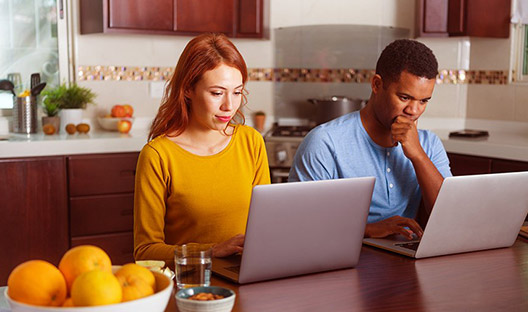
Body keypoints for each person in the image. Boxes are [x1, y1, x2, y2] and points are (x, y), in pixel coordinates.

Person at [289, 39, 452, 240]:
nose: (414, 111)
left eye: (423, 101)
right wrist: (367, 229)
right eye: (404, 97)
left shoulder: (428, 144)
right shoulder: (325, 142)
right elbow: (299, 223)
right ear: (376, 84)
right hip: (339, 259)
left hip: (402, 261)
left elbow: (449, 217)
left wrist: (417, 155)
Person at [134, 33, 270, 265]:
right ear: (188, 89)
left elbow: (267, 227)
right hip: (191, 285)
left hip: (249, 276)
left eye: (237, 92)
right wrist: (212, 250)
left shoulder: (251, 141)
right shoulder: (158, 155)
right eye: (217, 93)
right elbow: (145, 252)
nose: (229, 106)